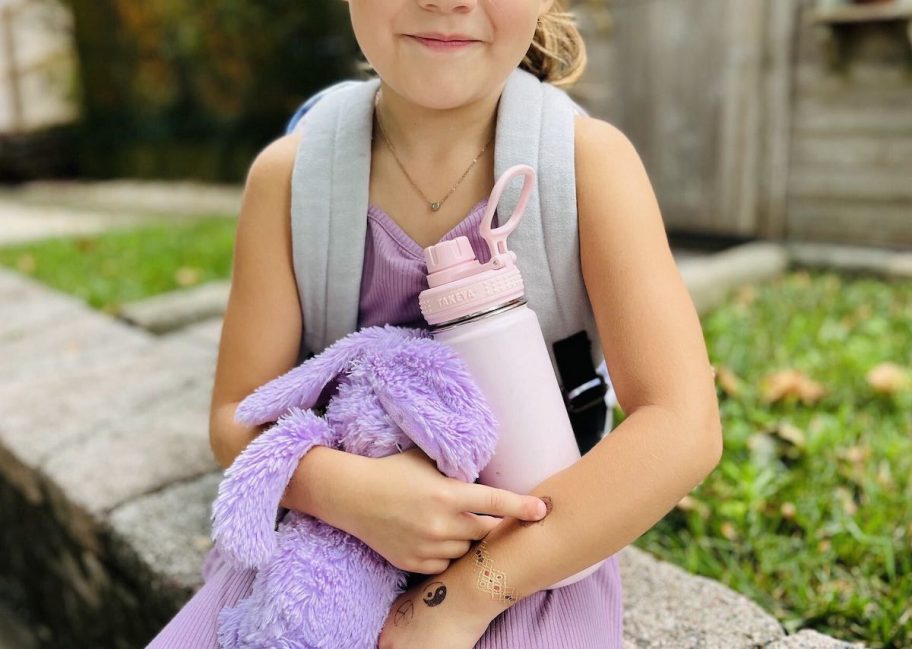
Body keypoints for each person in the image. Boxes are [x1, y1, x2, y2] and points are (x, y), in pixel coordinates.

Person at [147, 0, 723, 647]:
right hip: (321, 549)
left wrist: (464, 594)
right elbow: (235, 416)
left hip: (534, 556)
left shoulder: (588, 165)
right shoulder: (291, 179)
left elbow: (684, 425)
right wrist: (351, 493)